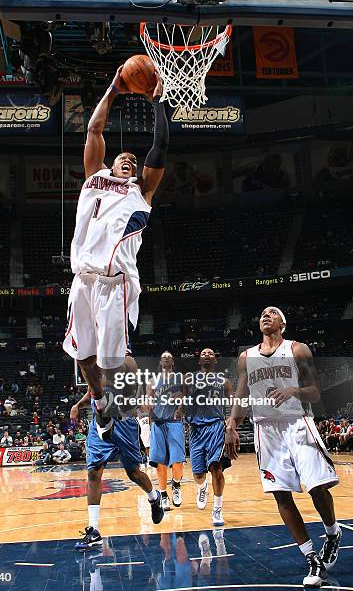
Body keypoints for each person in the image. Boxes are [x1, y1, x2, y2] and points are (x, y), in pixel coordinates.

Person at [63, 65, 169, 441]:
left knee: (111, 363)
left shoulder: (142, 191)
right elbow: (94, 130)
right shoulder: (95, 176)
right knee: (81, 356)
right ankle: (98, 400)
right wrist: (113, 87)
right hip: (83, 278)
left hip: (116, 283)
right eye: (123, 158)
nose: (130, 160)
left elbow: (160, 148)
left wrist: (156, 104)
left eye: (134, 161)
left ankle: (133, 399)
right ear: (110, 162)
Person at [225, 306, 341, 587]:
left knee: (316, 486)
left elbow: (314, 392)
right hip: (266, 429)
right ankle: (312, 559)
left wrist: (293, 390)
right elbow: (241, 395)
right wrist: (230, 426)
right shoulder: (247, 357)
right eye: (262, 313)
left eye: (272, 313)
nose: (265, 315)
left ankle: (332, 533)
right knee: (281, 495)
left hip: (298, 423)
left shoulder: (298, 350)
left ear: (283, 324)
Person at [71, 370, 164, 550]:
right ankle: (94, 531)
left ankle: (154, 497)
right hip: (100, 424)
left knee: (134, 474)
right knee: (93, 473)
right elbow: (93, 388)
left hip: (124, 424)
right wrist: (77, 405)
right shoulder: (95, 362)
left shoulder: (124, 365)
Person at [186, 348, 233, 526]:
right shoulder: (189, 380)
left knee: (216, 468)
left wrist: (231, 419)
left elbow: (233, 402)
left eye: (211, 353)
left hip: (215, 427)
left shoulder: (224, 381)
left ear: (215, 360)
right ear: (199, 361)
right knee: (198, 473)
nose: (207, 354)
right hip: (196, 429)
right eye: (204, 353)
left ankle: (217, 510)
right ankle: (202, 487)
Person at [147, 351, 185, 511]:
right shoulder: (152, 381)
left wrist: (181, 407)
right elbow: (148, 401)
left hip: (174, 422)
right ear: (161, 362)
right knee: (160, 463)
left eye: (170, 356)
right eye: (164, 357)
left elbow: (186, 397)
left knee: (177, 461)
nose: (167, 358)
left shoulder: (180, 378)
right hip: (157, 423)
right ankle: (163, 494)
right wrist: (149, 418)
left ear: (172, 362)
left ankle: (176, 484)